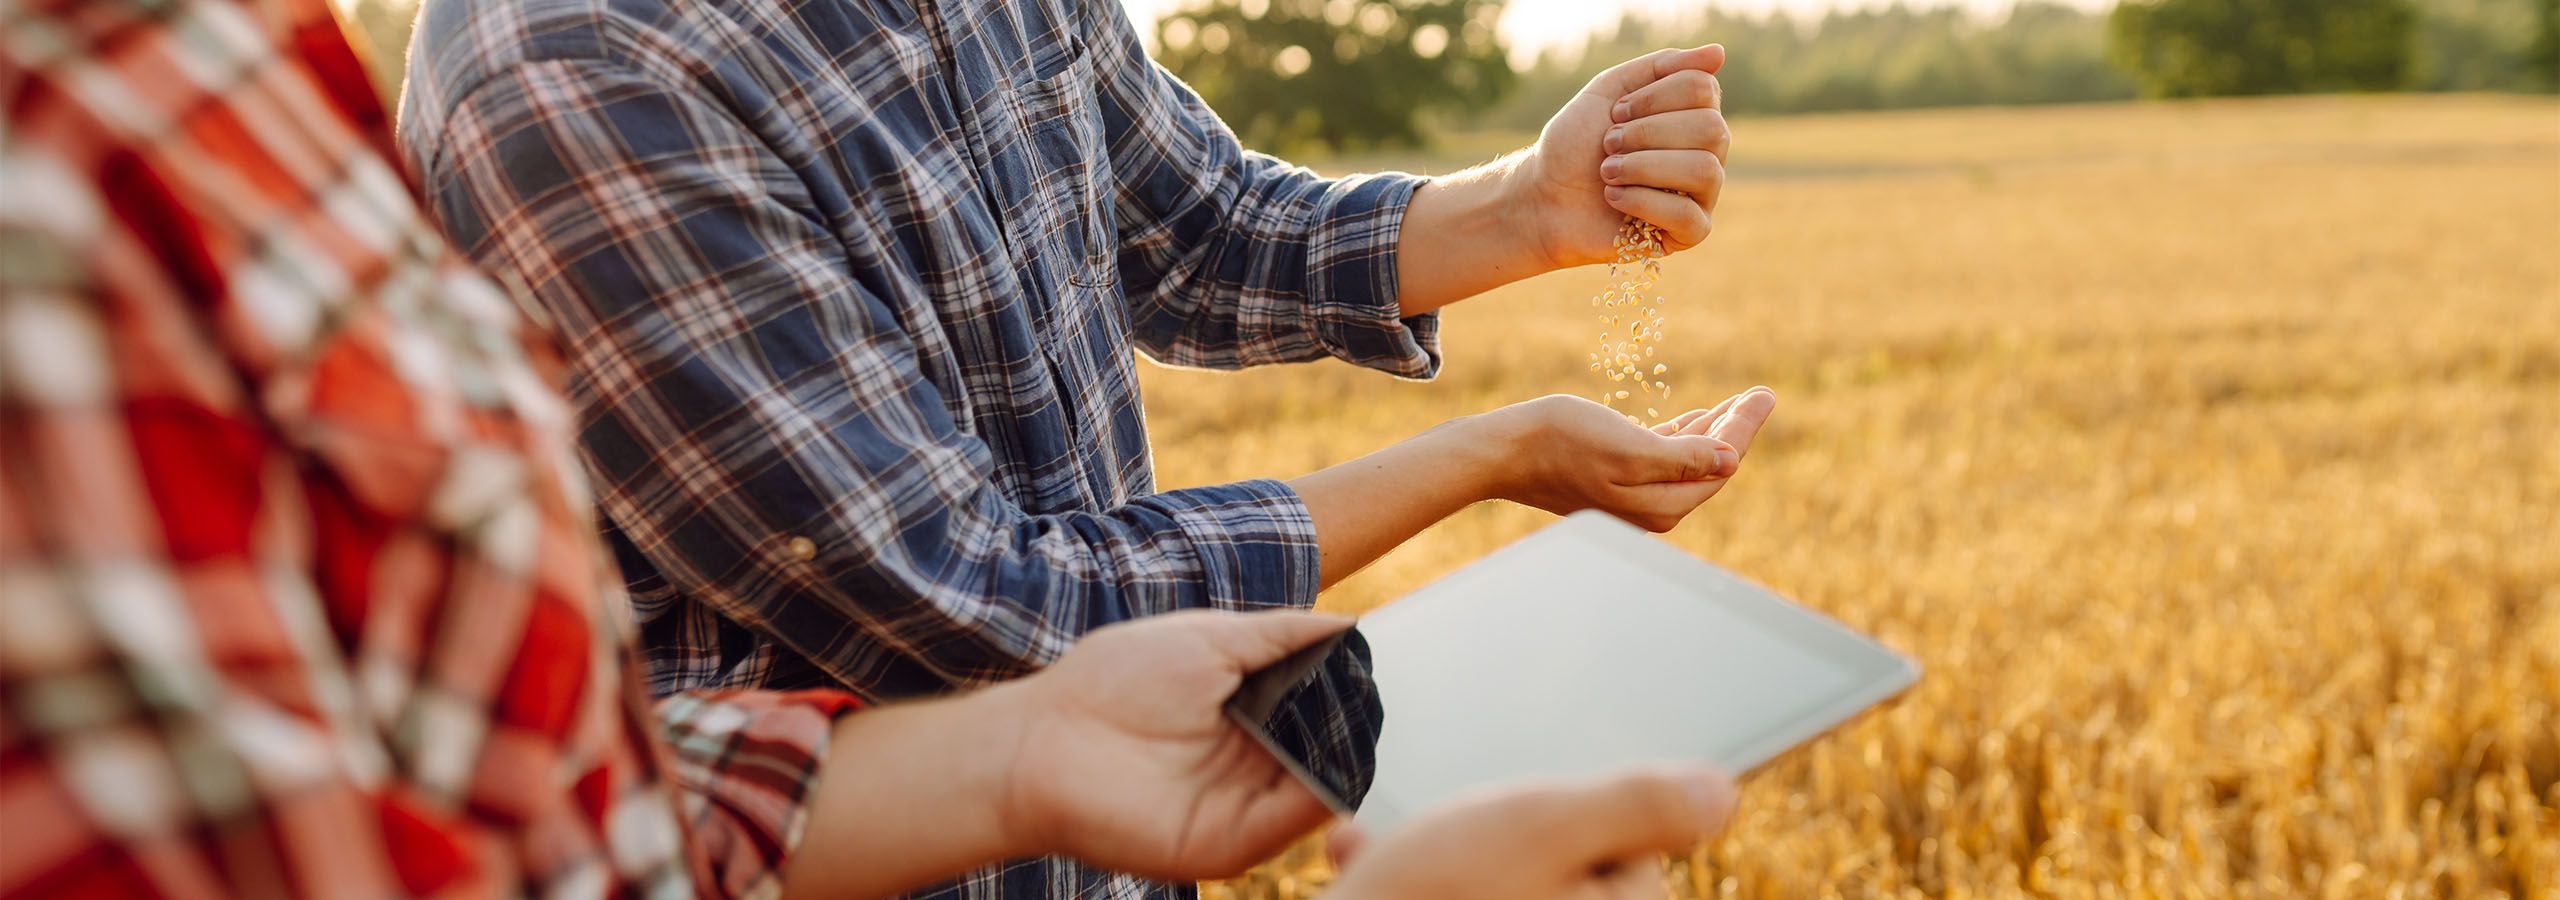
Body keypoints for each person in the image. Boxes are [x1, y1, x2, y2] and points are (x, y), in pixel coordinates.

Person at [0, 1, 1746, 897]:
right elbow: (967, 597)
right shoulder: (568, 64)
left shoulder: (210, 72)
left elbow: (1194, 226)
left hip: (1079, 823)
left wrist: (1526, 207)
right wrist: (1489, 454)